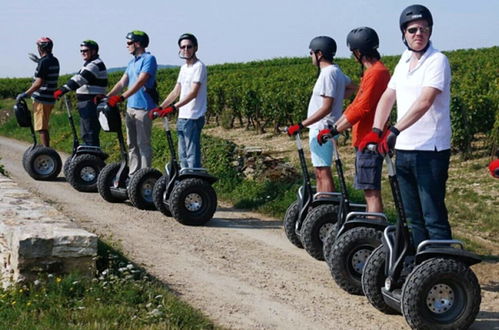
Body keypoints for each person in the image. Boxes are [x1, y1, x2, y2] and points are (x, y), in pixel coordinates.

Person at [359, 5, 453, 248]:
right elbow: (389, 96)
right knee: (412, 217)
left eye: (424, 29)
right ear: (404, 33)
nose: (418, 33)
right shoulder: (403, 61)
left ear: (430, 32)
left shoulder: (437, 60)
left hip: (431, 150)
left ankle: (442, 268)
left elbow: (426, 100)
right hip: (405, 149)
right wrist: (377, 130)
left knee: (432, 215)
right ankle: (422, 267)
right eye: (413, 30)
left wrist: (394, 130)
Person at [317, 27, 390, 213]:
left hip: (369, 139)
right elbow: (355, 104)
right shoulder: (373, 72)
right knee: (369, 191)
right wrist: (334, 128)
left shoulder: (376, 73)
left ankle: (372, 232)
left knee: (371, 191)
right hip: (364, 138)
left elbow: (361, 108)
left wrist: (334, 130)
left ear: (357, 52)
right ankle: (370, 229)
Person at [287, 36, 356, 194]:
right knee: (320, 171)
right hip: (326, 126)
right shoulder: (336, 70)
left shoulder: (327, 74)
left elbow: (326, 107)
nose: (311, 56)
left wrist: (301, 125)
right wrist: (339, 98)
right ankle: (321, 204)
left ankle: (326, 207)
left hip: (321, 128)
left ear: (319, 54)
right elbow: (352, 87)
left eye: (311, 53)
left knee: (322, 172)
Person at [149, 33, 207, 169]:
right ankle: (185, 183)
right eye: (183, 47)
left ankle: (194, 182)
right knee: (182, 155)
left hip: (193, 116)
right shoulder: (183, 68)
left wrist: (173, 108)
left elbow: (193, 93)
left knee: (192, 154)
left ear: (196, 48)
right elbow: (176, 91)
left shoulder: (199, 67)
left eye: (189, 46)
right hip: (183, 117)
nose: (186, 50)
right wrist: (161, 107)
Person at [106, 31, 158, 176]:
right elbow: (122, 82)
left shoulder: (149, 59)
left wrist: (121, 97)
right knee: (131, 145)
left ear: (138, 43)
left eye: (129, 43)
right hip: (131, 108)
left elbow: (141, 81)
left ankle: (145, 176)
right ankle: (133, 176)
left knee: (143, 144)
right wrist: (107, 96)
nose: (127, 46)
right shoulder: (132, 62)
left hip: (144, 108)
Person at [53, 40, 108, 146]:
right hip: (86, 103)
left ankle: (93, 158)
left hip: (91, 103)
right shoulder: (88, 64)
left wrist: (62, 90)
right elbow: (76, 77)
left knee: (90, 133)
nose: (82, 53)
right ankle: (89, 156)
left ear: (94, 51)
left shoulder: (95, 65)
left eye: (85, 50)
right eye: (81, 51)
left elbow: (79, 79)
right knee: (86, 133)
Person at [17, 37, 60, 147]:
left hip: (42, 98)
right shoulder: (54, 60)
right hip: (50, 98)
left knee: (41, 127)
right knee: (43, 126)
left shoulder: (44, 62)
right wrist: (39, 61)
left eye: (38, 46)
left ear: (41, 48)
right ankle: (45, 148)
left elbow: (39, 82)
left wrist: (26, 94)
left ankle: (46, 150)